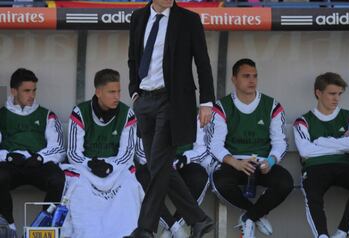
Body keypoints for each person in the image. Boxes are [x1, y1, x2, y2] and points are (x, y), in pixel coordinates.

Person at [126, 0, 215, 238]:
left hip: (173, 102)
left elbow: (203, 62)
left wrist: (206, 102)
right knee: (160, 167)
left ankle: (145, 229)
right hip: (145, 100)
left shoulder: (188, 20)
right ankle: (198, 219)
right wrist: (134, 93)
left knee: (158, 165)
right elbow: (133, 58)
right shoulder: (139, 17)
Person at [209, 59, 293, 238]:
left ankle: (248, 217)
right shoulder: (222, 106)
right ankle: (255, 214)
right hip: (235, 162)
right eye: (246, 76)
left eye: (254, 76)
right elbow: (215, 144)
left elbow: (280, 143)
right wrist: (236, 163)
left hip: (262, 163)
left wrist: (271, 161)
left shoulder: (272, 106)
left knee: (285, 182)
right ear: (234, 79)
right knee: (220, 181)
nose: (252, 80)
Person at [65, 69, 144, 238]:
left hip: (115, 168)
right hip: (86, 168)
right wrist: (91, 164)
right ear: (98, 92)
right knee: (79, 188)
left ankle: (126, 233)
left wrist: (110, 166)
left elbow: (128, 152)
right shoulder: (80, 112)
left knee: (129, 185)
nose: (117, 96)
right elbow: (72, 152)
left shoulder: (127, 113)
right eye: (111, 92)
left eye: (119, 91)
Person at [293, 72, 349, 238]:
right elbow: (305, 151)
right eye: (332, 93)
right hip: (316, 167)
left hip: (347, 166)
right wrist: (340, 143)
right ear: (318, 92)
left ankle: (342, 232)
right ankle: (322, 235)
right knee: (312, 193)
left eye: (339, 94)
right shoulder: (303, 121)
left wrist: (320, 141)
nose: (336, 98)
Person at [0, 68, 65, 235]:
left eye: (34, 90)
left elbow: (58, 147)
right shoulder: (2, 115)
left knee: (58, 179)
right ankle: (8, 227)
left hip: (37, 164)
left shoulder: (47, 115)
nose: (32, 95)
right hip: (11, 165)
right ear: (14, 91)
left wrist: (40, 157)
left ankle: (44, 229)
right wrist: (7, 156)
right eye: (26, 91)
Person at [135, 120, 212, 238]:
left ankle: (171, 230)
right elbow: (140, 153)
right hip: (154, 165)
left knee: (200, 177)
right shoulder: (148, 114)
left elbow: (202, 149)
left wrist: (185, 158)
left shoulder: (191, 116)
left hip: (182, 162)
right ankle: (178, 227)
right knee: (143, 177)